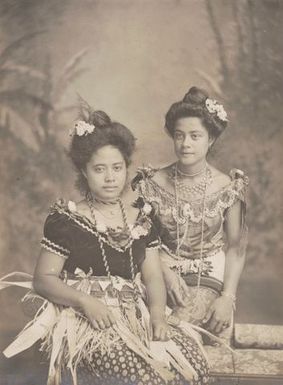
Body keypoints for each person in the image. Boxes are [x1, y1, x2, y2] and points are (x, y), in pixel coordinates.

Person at [1, 103, 209, 385]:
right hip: (90, 321)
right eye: (99, 169)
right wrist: (85, 302)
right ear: (84, 172)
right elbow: (43, 279)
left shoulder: (141, 217)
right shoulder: (68, 219)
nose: (110, 178)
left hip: (137, 316)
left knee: (193, 365)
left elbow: (152, 276)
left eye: (117, 168)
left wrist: (158, 314)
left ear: (126, 168)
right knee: (145, 377)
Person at [132, 86, 248, 340]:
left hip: (206, 277)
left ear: (211, 139)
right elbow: (138, 239)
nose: (185, 144)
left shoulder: (227, 188)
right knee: (135, 323)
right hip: (156, 271)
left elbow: (236, 247)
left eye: (195, 136)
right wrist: (164, 270)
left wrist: (227, 298)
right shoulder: (151, 183)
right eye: (179, 135)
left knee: (175, 331)